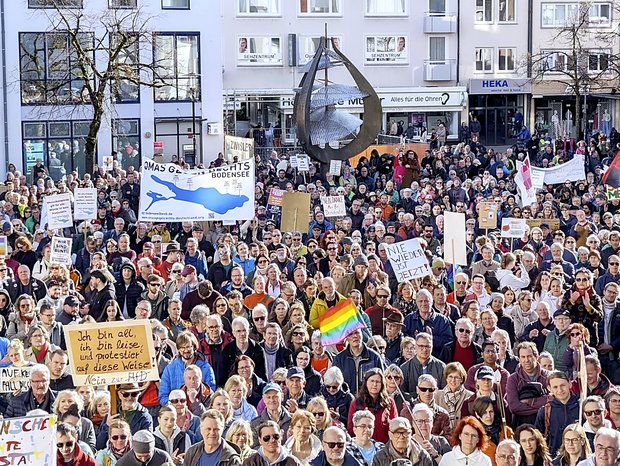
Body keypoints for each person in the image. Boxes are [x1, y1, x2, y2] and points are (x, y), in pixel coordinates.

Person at [347, 368, 397, 444]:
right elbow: (351, 429)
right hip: (362, 446)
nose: (374, 384)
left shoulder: (389, 402)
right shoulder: (356, 403)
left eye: (378, 382)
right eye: (372, 381)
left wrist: (387, 422)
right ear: (366, 382)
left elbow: (395, 428)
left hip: (384, 447)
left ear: (382, 384)